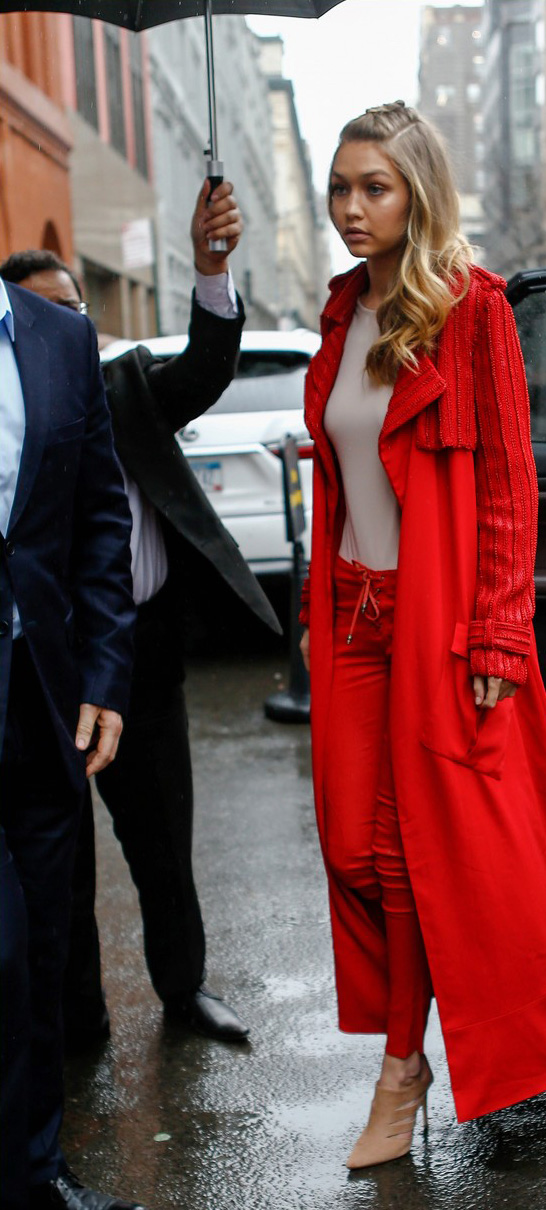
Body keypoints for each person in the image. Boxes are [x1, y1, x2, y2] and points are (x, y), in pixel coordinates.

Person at [299, 101, 546, 1169]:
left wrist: (497, 635)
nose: (352, 208)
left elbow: (506, 493)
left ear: (417, 193)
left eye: (374, 188)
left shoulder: (471, 312)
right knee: (350, 842)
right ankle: (407, 1051)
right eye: (340, 187)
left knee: (411, 854)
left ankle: (401, 1073)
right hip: (351, 614)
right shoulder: (340, 311)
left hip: (438, 618)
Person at [1, 180, 281, 1049]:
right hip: (45, 664)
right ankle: (77, 1025)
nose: (66, 330)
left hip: (142, 654)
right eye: (48, 313)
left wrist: (209, 269)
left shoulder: (119, 381)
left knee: (162, 840)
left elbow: (202, 368)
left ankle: (184, 991)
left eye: (77, 310)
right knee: (62, 863)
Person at [0, 273, 141, 1206]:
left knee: (47, 937)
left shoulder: (57, 337)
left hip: (42, 696)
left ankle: (35, 1173)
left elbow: (98, 521)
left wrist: (104, 678)